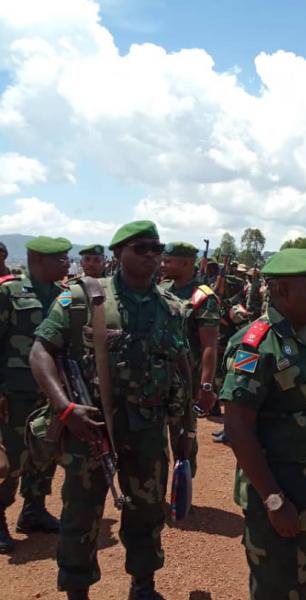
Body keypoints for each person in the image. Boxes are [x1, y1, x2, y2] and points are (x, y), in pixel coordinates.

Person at [30, 220, 187, 600]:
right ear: (118, 254)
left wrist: (184, 432)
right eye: (141, 248)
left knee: (147, 513)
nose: (152, 255)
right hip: (93, 429)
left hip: (148, 430)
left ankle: (143, 585)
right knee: (81, 516)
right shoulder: (82, 299)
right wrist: (65, 408)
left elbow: (179, 370)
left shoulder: (172, 308)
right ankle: (77, 590)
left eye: (156, 247)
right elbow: (40, 352)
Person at [221, 248, 306, 600]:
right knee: (278, 589)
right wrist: (274, 500)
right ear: (283, 291)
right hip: (280, 497)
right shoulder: (256, 345)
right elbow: (238, 427)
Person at [0, 236, 69, 554]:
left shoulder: (64, 297)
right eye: (60, 259)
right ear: (38, 260)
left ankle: (34, 510)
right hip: (13, 393)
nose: (67, 264)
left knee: (45, 454)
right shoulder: (9, 292)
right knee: (12, 459)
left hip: (49, 394)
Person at [159, 242, 220, 476]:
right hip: (157, 377)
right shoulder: (162, 289)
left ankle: (182, 493)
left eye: (168, 261)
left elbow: (209, 346)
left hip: (186, 381)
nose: (162, 265)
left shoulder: (202, 297)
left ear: (185, 263)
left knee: (183, 439)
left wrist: (205, 386)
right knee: (154, 441)